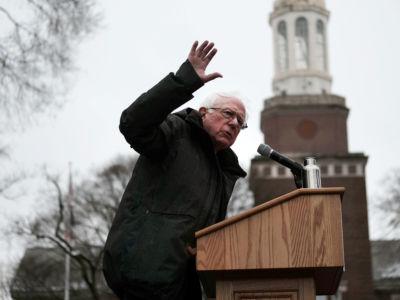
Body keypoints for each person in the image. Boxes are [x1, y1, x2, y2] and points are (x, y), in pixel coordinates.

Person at [103, 40, 247, 300]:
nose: (234, 123)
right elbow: (133, 123)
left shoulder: (224, 170)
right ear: (203, 112)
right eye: (228, 113)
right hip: (144, 275)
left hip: (185, 283)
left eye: (240, 122)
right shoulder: (176, 133)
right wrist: (186, 79)